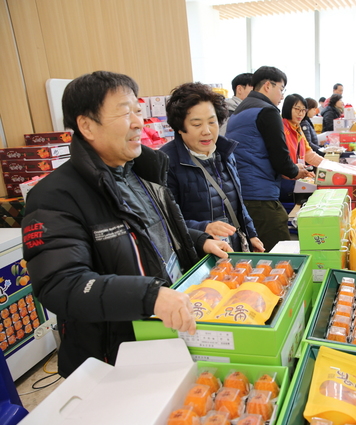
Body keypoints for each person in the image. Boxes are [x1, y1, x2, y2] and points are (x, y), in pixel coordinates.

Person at [21, 71, 232, 377]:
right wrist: (149, 295)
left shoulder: (141, 172)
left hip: (167, 333)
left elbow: (155, 233)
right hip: (115, 354)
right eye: (124, 111)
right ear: (87, 125)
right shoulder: (55, 195)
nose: (137, 122)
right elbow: (60, 284)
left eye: (138, 110)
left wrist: (198, 239)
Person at [160, 82, 264, 253]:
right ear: (180, 127)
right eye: (196, 124)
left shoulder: (225, 152)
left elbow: (237, 202)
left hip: (232, 248)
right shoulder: (167, 162)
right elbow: (165, 221)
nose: (207, 131)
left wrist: (250, 234)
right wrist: (204, 228)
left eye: (212, 122)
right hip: (198, 254)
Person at [225, 66, 313, 252]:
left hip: (242, 190)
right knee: (280, 249)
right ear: (267, 86)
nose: (282, 96)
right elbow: (279, 156)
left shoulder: (240, 110)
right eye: (281, 89)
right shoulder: (267, 111)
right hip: (261, 193)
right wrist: (296, 170)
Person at [280, 94, 324, 202]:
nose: (301, 113)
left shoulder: (297, 128)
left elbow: (309, 153)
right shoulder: (281, 127)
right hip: (283, 180)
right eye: (297, 109)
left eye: (304, 110)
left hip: (295, 175)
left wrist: (328, 165)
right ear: (287, 108)